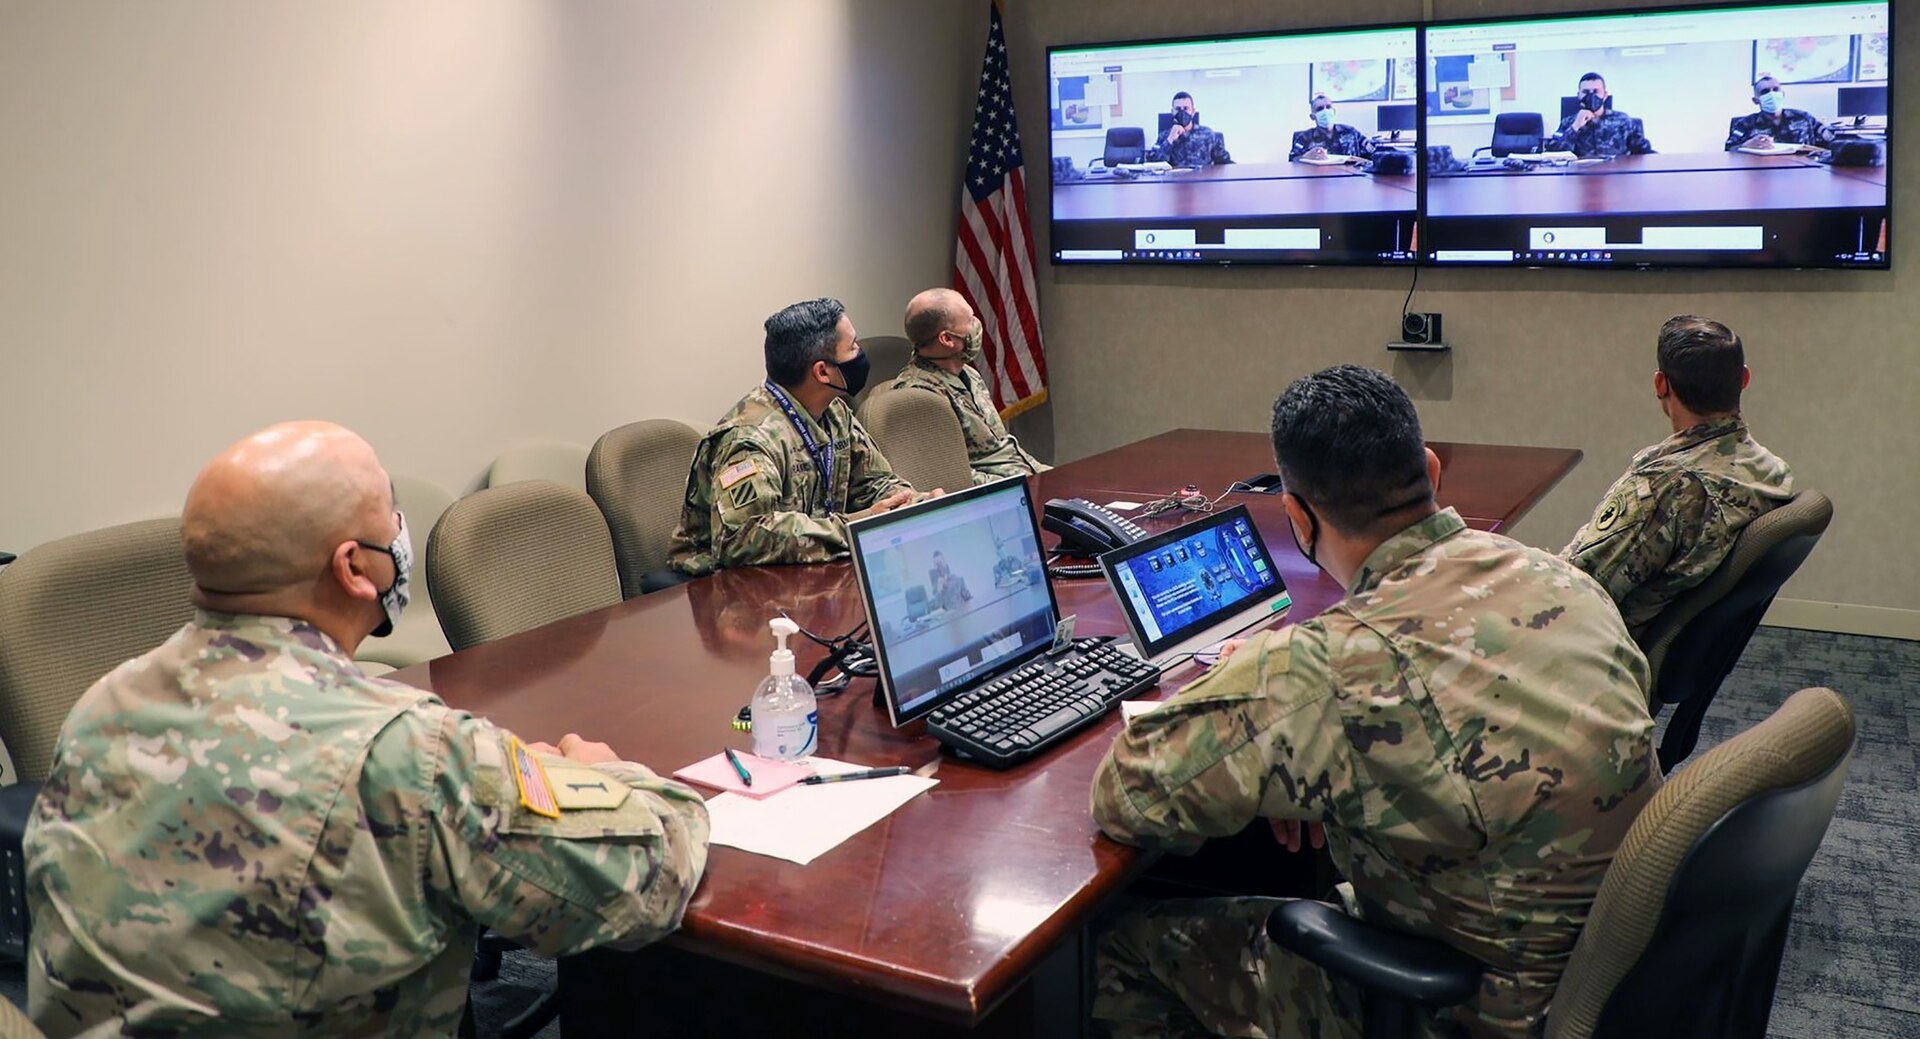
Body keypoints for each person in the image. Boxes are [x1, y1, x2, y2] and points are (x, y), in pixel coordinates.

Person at [24, 421, 710, 1037]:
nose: (405, 534)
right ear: (355, 567)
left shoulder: (100, 704)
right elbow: (652, 875)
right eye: (394, 520)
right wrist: (599, 774)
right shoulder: (412, 751)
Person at [1089, 366, 1661, 1039]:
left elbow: (1126, 793)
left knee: (1114, 949)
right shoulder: (1561, 578)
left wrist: (1252, 684)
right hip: (1594, 969)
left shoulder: (1331, 664)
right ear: (1430, 468)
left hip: (1467, 1005)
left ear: (1297, 516)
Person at [1564, 316, 1795, 632]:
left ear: (1661, 384)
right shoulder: (1771, 470)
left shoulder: (1665, 488)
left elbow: (1574, 590)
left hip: (1602, 643)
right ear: (1744, 379)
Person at [669, 297, 923, 575]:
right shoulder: (748, 439)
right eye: (852, 347)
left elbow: (873, 483)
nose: (860, 352)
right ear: (822, 372)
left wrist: (909, 505)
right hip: (725, 585)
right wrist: (856, 526)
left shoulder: (834, 412)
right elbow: (744, 539)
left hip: (805, 568)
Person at [893, 287, 1049, 483]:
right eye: (969, 320)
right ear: (947, 339)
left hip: (1025, 473)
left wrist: (1047, 477)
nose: (977, 324)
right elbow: (948, 477)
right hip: (997, 495)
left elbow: (999, 448)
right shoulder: (919, 397)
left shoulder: (967, 372)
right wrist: (1020, 489)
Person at [1550, 72, 1655, 157]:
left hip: (1617, 177)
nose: (1591, 96)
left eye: (1596, 91)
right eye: (1586, 92)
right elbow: (1553, 152)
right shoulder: (1568, 122)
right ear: (1579, 95)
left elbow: (1644, 151)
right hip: (1581, 177)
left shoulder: (1623, 120)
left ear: (1605, 95)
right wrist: (1575, 127)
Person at [1725, 74, 1836, 152]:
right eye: (1765, 92)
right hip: (1762, 175)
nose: (1772, 94)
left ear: (1782, 94)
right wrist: (1745, 145)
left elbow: (1831, 142)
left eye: (1775, 89)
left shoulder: (1804, 118)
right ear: (1756, 100)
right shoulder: (1745, 124)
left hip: (1802, 174)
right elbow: (1729, 149)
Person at [1150, 91, 1232, 168]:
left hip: (1202, 181)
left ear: (1193, 112)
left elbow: (1225, 161)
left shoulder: (1207, 134)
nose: (1182, 113)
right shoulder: (1164, 136)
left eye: (1186, 108)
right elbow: (1154, 165)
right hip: (1175, 181)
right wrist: (1170, 139)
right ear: (1172, 112)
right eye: (1178, 109)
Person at [1289, 94, 1376, 162]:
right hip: (1318, 181)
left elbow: (1372, 153)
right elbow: (1292, 160)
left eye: (1328, 107)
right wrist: (1304, 157)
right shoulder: (1304, 138)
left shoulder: (1350, 132)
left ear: (1333, 112)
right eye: (1320, 109)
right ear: (1312, 117)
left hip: (1350, 180)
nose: (1325, 111)